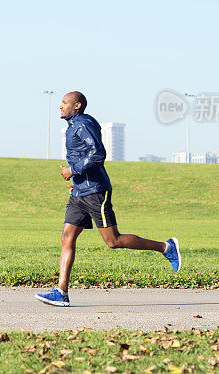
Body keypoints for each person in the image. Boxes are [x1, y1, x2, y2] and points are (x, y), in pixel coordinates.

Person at [35, 91, 181, 307]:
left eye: (64, 103)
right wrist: (77, 181)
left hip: (95, 192)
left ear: (77, 105)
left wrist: (72, 170)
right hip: (79, 192)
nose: (60, 106)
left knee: (113, 241)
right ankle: (61, 292)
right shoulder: (73, 125)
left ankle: (166, 247)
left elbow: (97, 154)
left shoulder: (83, 123)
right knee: (67, 237)